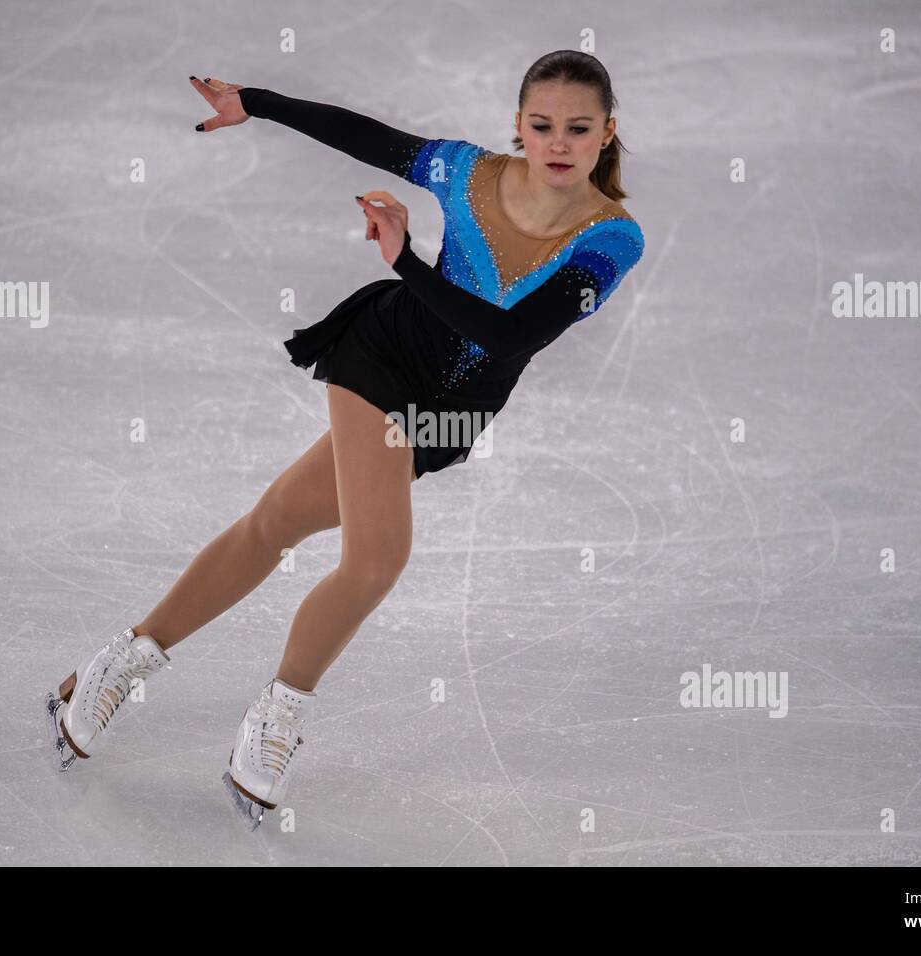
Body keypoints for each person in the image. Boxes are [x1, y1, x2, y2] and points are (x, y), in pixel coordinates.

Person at [43, 50, 644, 828]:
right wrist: (255, 101)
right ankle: (276, 716)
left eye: (577, 127)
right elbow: (369, 137)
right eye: (541, 125)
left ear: (607, 133)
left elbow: (510, 335)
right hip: (385, 355)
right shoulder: (470, 174)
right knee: (376, 559)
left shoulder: (611, 239)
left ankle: (112, 662)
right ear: (518, 127)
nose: (557, 142)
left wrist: (407, 261)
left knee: (275, 524)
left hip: (454, 413)